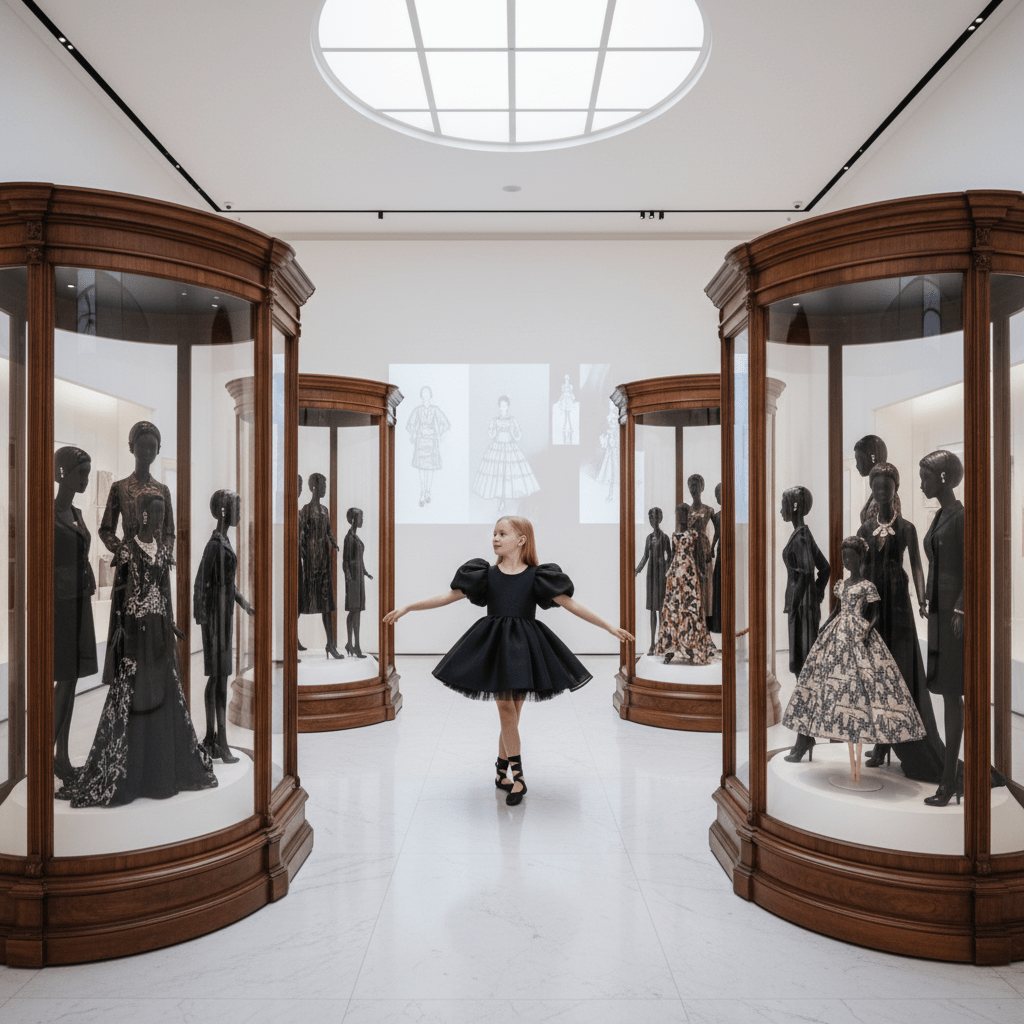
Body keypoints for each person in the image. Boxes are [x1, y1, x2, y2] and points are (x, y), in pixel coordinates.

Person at [383, 516, 633, 805]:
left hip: (525, 651)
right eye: (494, 533)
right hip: (495, 647)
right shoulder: (485, 575)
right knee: (505, 708)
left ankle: (501, 771)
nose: (495, 538)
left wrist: (609, 627)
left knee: (511, 713)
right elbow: (448, 596)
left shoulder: (538, 576)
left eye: (503, 534)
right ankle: (519, 777)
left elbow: (572, 605)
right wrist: (408, 607)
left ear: (521, 540)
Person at [57, 492, 217, 807]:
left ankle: (161, 768)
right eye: (154, 515)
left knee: (164, 690)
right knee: (132, 694)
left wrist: (171, 622)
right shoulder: (128, 551)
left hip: (159, 630)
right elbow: (120, 592)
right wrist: (118, 628)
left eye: (162, 516)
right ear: (144, 516)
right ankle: (131, 770)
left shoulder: (163, 550)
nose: (158, 521)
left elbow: (165, 590)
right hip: (135, 630)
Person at [782, 536, 926, 777]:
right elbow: (837, 610)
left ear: (860, 558)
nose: (846, 561)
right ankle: (808, 735)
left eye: (850, 556)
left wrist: (869, 628)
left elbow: (876, 613)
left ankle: (880, 740)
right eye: (844, 557)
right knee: (821, 680)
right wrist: (826, 625)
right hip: (837, 633)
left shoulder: (867, 586)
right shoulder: (842, 584)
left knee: (868, 685)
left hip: (859, 633)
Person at [857, 463, 945, 782]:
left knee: (898, 667)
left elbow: (919, 567)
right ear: (872, 490)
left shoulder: (906, 528)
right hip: (873, 604)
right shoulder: (866, 528)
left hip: (897, 602)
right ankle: (881, 742)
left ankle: (900, 739)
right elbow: (857, 565)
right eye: (877, 486)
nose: (882, 491)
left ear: (895, 489)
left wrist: (922, 598)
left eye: (887, 486)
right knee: (877, 670)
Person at [98, 420, 174, 687]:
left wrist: (164, 553)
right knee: (128, 635)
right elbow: (106, 528)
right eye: (142, 446)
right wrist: (123, 550)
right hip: (129, 573)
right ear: (132, 448)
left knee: (157, 634)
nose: (147, 452)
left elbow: (169, 531)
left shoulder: (163, 490)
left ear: (157, 450)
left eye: (152, 448)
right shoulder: (119, 488)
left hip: (156, 571)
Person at [194, 489, 254, 763]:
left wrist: (243, 603)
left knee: (218, 679)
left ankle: (213, 739)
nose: (239, 514)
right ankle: (220, 741)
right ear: (223, 511)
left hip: (222, 618)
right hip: (215, 621)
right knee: (217, 679)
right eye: (236, 508)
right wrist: (204, 619)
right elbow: (200, 584)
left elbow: (229, 584)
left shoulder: (223, 542)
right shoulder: (215, 545)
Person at [920, 449, 966, 806]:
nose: (922, 482)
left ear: (944, 478)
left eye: (926, 476)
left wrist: (961, 609)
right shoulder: (941, 515)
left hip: (952, 617)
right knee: (946, 692)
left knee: (953, 694)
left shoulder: (961, 517)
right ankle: (951, 775)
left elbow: (973, 565)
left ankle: (950, 780)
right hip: (937, 612)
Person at [53, 446, 99, 782]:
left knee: (70, 682)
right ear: (62, 473)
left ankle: (61, 755)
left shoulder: (77, 513)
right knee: (63, 679)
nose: (85, 478)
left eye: (87, 472)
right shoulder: (50, 513)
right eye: (80, 472)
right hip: (60, 604)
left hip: (80, 600)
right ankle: (51, 755)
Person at [779, 486, 830, 764]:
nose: (780, 510)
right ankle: (806, 735)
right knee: (802, 672)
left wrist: (802, 601)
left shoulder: (801, 537)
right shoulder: (804, 534)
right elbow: (827, 568)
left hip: (802, 612)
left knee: (803, 671)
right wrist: (817, 592)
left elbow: (812, 570)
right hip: (804, 608)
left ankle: (805, 736)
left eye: (784, 504)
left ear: (795, 506)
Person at [654, 504, 716, 665]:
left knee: (690, 608)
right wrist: (667, 572)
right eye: (678, 513)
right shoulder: (675, 534)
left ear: (687, 514)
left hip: (689, 573)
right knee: (673, 608)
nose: (680, 516)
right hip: (675, 574)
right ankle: (670, 646)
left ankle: (691, 645)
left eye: (683, 513)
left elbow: (698, 555)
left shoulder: (693, 534)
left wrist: (702, 572)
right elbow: (673, 555)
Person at [298, 472, 343, 658]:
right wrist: (301, 550)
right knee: (301, 601)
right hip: (310, 561)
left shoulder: (324, 510)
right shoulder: (306, 510)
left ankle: (330, 644)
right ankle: (292, 638)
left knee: (326, 602)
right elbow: (301, 534)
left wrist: (333, 542)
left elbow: (329, 531)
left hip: (323, 560)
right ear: (314, 487)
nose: (325, 489)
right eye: (323, 485)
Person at [472, 395, 540, 512]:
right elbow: (491, 433)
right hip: (497, 447)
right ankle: (501, 500)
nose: (503, 407)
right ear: (499, 406)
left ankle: (505, 499)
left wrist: (516, 433)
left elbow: (517, 433)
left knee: (509, 474)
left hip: (509, 447)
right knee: (498, 474)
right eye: (501, 405)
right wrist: (494, 431)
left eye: (505, 405)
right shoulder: (495, 420)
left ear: (508, 406)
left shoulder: (512, 419)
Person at [635, 506, 673, 655]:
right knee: (652, 610)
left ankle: (661, 641)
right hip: (651, 575)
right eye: (651, 518)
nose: (653, 521)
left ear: (660, 519)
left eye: (656, 518)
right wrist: (637, 570)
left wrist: (665, 567)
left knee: (661, 611)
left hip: (661, 576)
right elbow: (645, 556)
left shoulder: (664, 538)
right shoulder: (649, 538)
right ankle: (652, 643)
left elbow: (670, 556)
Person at [407, 385, 450, 507]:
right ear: (421, 396)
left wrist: (441, 435)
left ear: (430, 395)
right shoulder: (417, 410)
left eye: (427, 393)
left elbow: (445, 423)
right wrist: (413, 433)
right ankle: (422, 491)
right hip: (420, 440)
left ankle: (428, 492)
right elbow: (410, 424)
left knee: (430, 468)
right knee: (421, 467)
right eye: (423, 393)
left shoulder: (435, 409)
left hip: (432, 441)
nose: (425, 395)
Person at [342, 506, 373, 657]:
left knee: (356, 611)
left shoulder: (356, 537)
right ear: (354, 519)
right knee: (355, 611)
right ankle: (355, 646)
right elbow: (345, 561)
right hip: (353, 578)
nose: (362, 520)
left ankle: (351, 644)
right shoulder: (349, 538)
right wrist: (348, 577)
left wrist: (365, 572)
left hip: (359, 577)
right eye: (361, 517)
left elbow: (360, 559)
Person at [687, 474, 715, 617]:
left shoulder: (709, 510)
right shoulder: (687, 511)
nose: (693, 489)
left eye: (696, 485)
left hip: (704, 549)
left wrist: (713, 549)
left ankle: (705, 625)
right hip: (690, 550)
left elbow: (719, 530)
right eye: (691, 485)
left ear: (702, 487)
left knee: (705, 585)